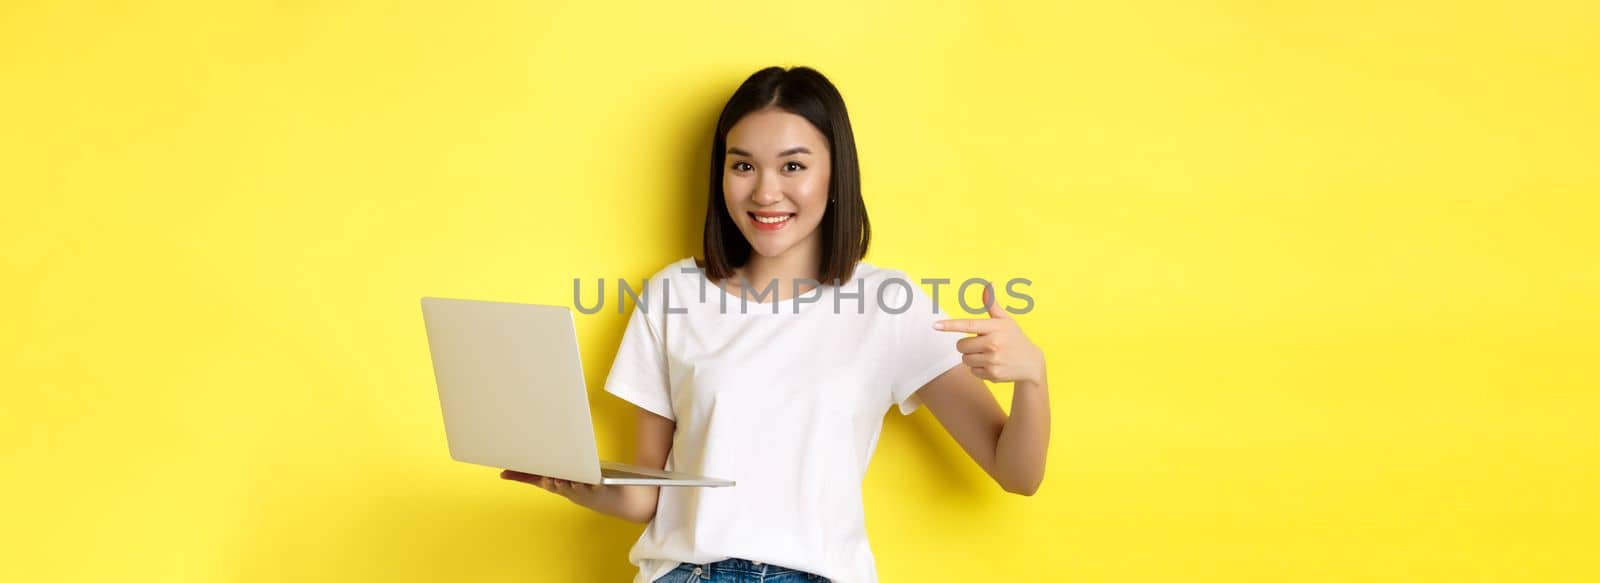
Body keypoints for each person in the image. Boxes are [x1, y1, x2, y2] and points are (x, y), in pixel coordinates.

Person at [501, 65, 1050, 583]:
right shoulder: (673, 293)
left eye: (793, 166)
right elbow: (645, 496)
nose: (765, 192)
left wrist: (1032, 378)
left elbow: (1017, 475)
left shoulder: (888, 303)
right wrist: (569, 477)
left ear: (835, 173)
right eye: (743, 165)